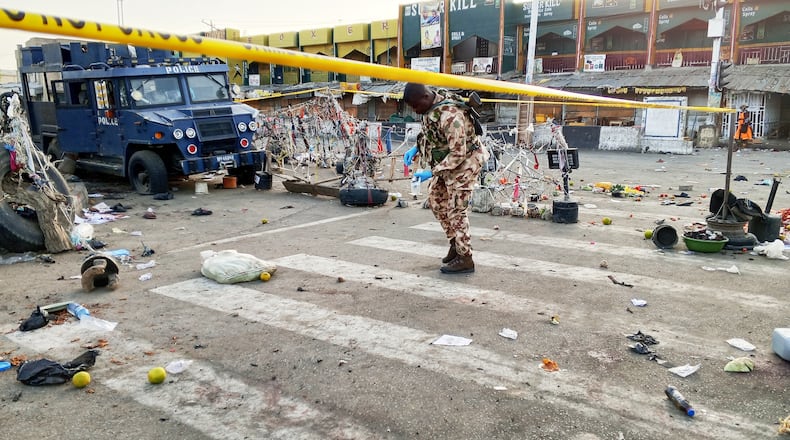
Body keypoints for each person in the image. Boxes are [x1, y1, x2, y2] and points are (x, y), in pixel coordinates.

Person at [402, 83, 488, 274]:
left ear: (425, 97)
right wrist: (416, 148)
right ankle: (455, 244)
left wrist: (431, 172)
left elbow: (458, 153)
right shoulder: (432, 108)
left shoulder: (450, 116)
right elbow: (430, 132)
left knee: (456, 209)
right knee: (436, 199)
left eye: (416, 106)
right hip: (448, 163)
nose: (415, 111)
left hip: (466, 162)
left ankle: (465, 258)